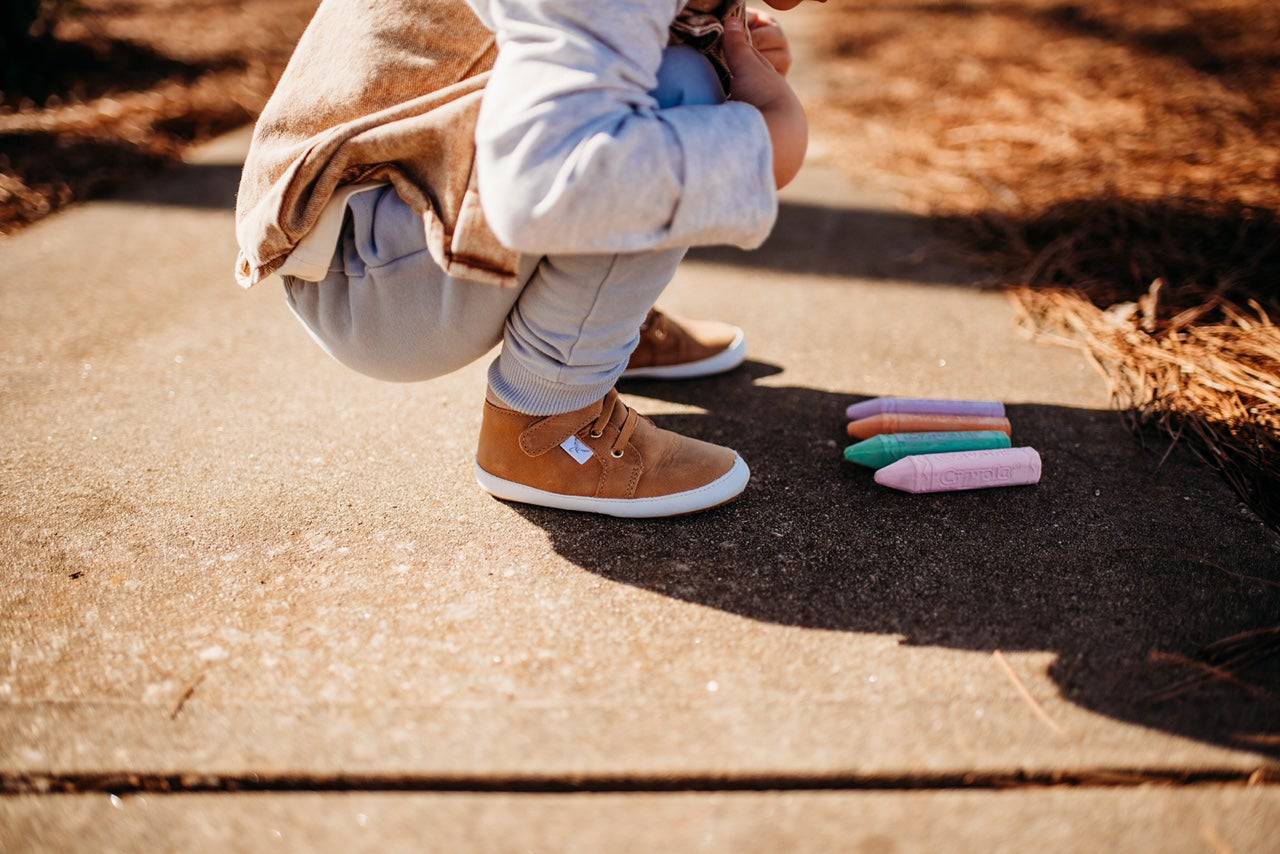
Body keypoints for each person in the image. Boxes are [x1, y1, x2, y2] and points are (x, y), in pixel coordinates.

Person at [235, 1, 817, 518]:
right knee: (683, 89)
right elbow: (558, 180)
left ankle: (596, 325)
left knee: (677, 71)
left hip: (376, 220)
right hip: (363, 277)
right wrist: (769, 141)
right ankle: (546, 416)